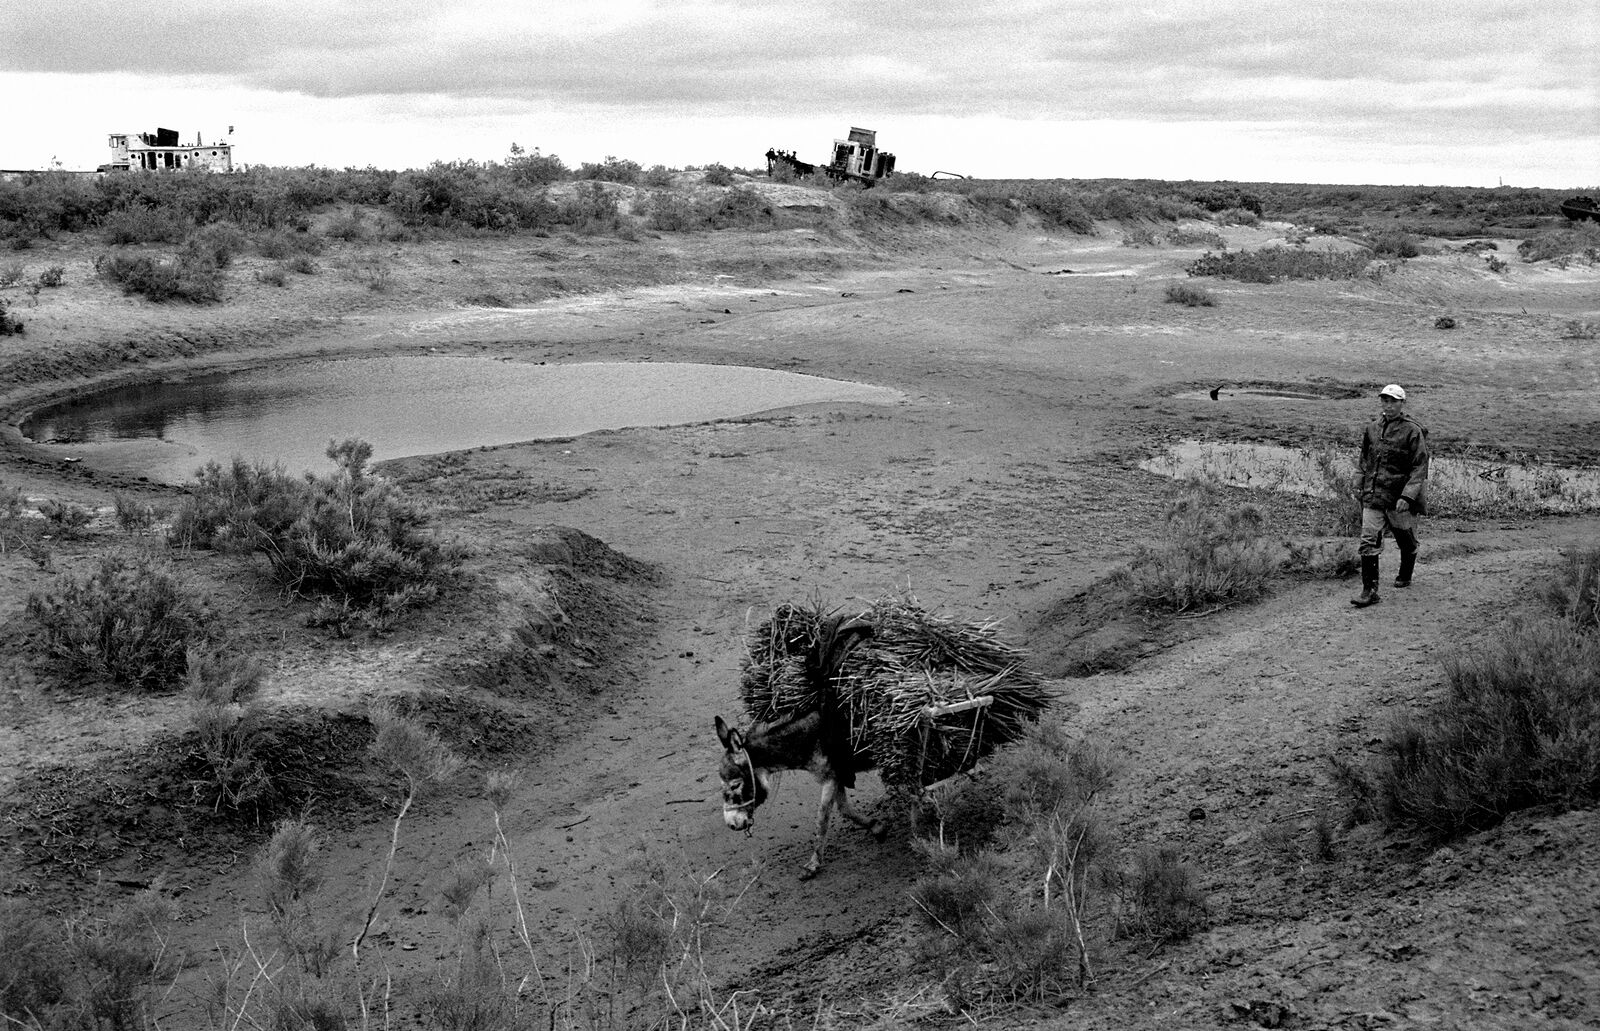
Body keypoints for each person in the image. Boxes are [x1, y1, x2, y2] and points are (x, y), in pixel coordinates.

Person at [1352, 383, 1429, 607]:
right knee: (1368, 539)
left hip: (1399, 497)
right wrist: (1358, 483)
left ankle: (1406, 571)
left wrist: (1408, 496)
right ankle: (1369, 590)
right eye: (1385, 401)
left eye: (1393, 401)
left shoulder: (1412, 431)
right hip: (1374, 495)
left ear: (1402, 403)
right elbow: (1364, 459)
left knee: (1405, 539)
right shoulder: (1373, 428)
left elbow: (1419, 467)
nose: (1388, 406)